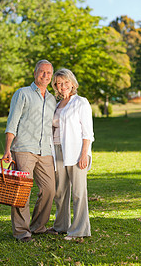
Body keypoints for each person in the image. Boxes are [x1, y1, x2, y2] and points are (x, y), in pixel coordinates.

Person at [3, 60, 56, 242]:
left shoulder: (52, 99)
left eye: (49, 73)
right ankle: (21, 232)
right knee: (22, 191)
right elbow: (12, 122)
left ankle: (38, 226)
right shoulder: (22, 93)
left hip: (45, 151)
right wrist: (7, 149)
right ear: (35, 73)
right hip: (24, 148)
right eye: (42, 72)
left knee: (50, 189)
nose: (45, 75)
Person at [50, 68, 94, 240]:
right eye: (59, 83)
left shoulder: (81, 102)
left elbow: (87, 133)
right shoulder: (55, 104)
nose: (63, 86)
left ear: (72, 83)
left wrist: (84, 154)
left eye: (66, 82)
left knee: (78, 192)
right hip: (57, 150)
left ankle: (79, 230)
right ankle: (61, 226)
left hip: (76, 152)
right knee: (60, 191)